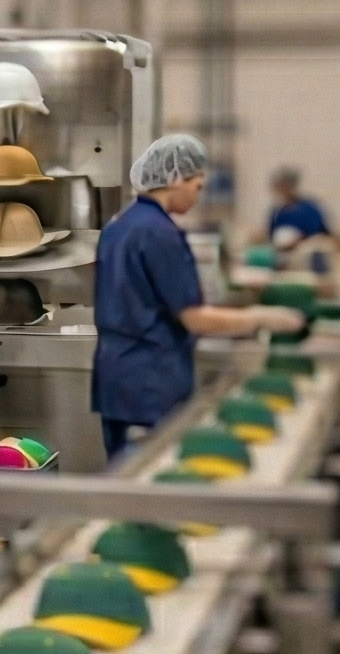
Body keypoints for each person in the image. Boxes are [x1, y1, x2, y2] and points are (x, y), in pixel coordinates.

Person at [94, 136, 305, 462]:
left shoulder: (119, 225)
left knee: (126, 478)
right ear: (176, 178)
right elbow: (195, 318)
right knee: (154, 483)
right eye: (197, 186)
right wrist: (262, 316)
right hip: (151, 379)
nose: (197, 195)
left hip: (115, 377)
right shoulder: (160, 232)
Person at [268, 167, 330, 244]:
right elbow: (271, 234)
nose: (280, 190)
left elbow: (317, 233)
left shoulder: (309, 209)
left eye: (283, 186)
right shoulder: (277, 212)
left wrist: (298, 239)